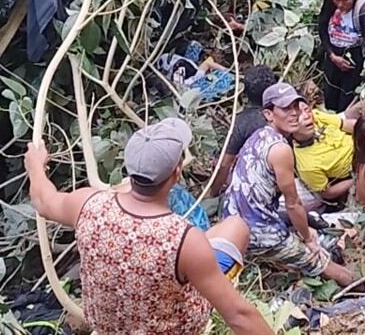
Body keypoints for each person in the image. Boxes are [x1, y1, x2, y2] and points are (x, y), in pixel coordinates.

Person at [24, 120, 272, 335]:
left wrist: (36, 166)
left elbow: (44, 201)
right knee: (236, 228)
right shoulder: (183, 239)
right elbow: (238, 316)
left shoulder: (88, 204)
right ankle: (216, 285)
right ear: (176, 173)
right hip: (175, 326)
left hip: (110, 326)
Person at [223, 83, 355, 286]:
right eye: (285, 109)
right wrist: (308, 239)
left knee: (304, 226)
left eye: (295, 107)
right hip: (259, 232)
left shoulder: (258, 136)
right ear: (268, 114)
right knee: (320, 259)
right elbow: (293, 203)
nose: (294, 114)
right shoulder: (281, 149)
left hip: (233, 223)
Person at [208, 65, 278, 197]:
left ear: (244, 92)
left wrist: (213, 192)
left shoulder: (243, 121)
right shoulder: (283, 112)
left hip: (259, 181)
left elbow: (225, 164)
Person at [292, 97, 357, 205]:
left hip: (363, 142)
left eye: (306, 109)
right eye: (299, 115)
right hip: (358, 168)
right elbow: (327, 193)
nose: (307, 116)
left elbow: (346, 124)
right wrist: (356, 180)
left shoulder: (316, 116)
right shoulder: (307, 166)